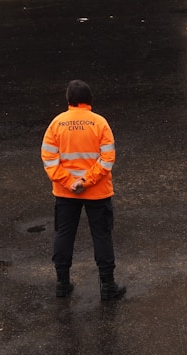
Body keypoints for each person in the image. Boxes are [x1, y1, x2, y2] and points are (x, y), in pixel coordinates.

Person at [41, 80, 126, 300]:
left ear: (68, 100)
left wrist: (70, 182)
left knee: (64, 234)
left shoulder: (56, 124)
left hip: (65, 193)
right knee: (102, 236)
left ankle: (62, 284)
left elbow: (49, 159)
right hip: (98, 192)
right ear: (90, 100)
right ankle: (107, 286)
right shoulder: (100, 123)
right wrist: (86, 181)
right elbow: (108, 159)